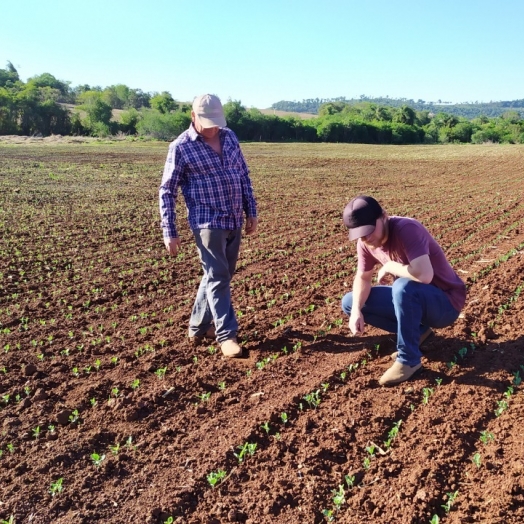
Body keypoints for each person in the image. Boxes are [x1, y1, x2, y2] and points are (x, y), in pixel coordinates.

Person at [159, 94, 258, 358]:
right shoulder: (180, 147)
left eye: (216, 122)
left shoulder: (230, 137)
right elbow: (167, 190)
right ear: (193, 117)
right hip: (207, 222)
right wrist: (170, 231)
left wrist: (252, 210)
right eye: (207, 122)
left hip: (234, 218)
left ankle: (197, 327)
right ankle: (226, 335)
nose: (213, 128)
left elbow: (243, 174)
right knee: (218, 275)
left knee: (219, 275)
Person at [341, 195, 466, 386]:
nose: (366, 238)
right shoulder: (365, 243)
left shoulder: (407, 229)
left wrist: (391, 266)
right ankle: (420, 332)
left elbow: (424, 275)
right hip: (417, 300)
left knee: (402, 287)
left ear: (383, 216)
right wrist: (356, 311)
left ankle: (409, 361)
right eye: (359, 234)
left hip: (445, 303)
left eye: (368, 231)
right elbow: (363, 277)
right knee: (351, 302)